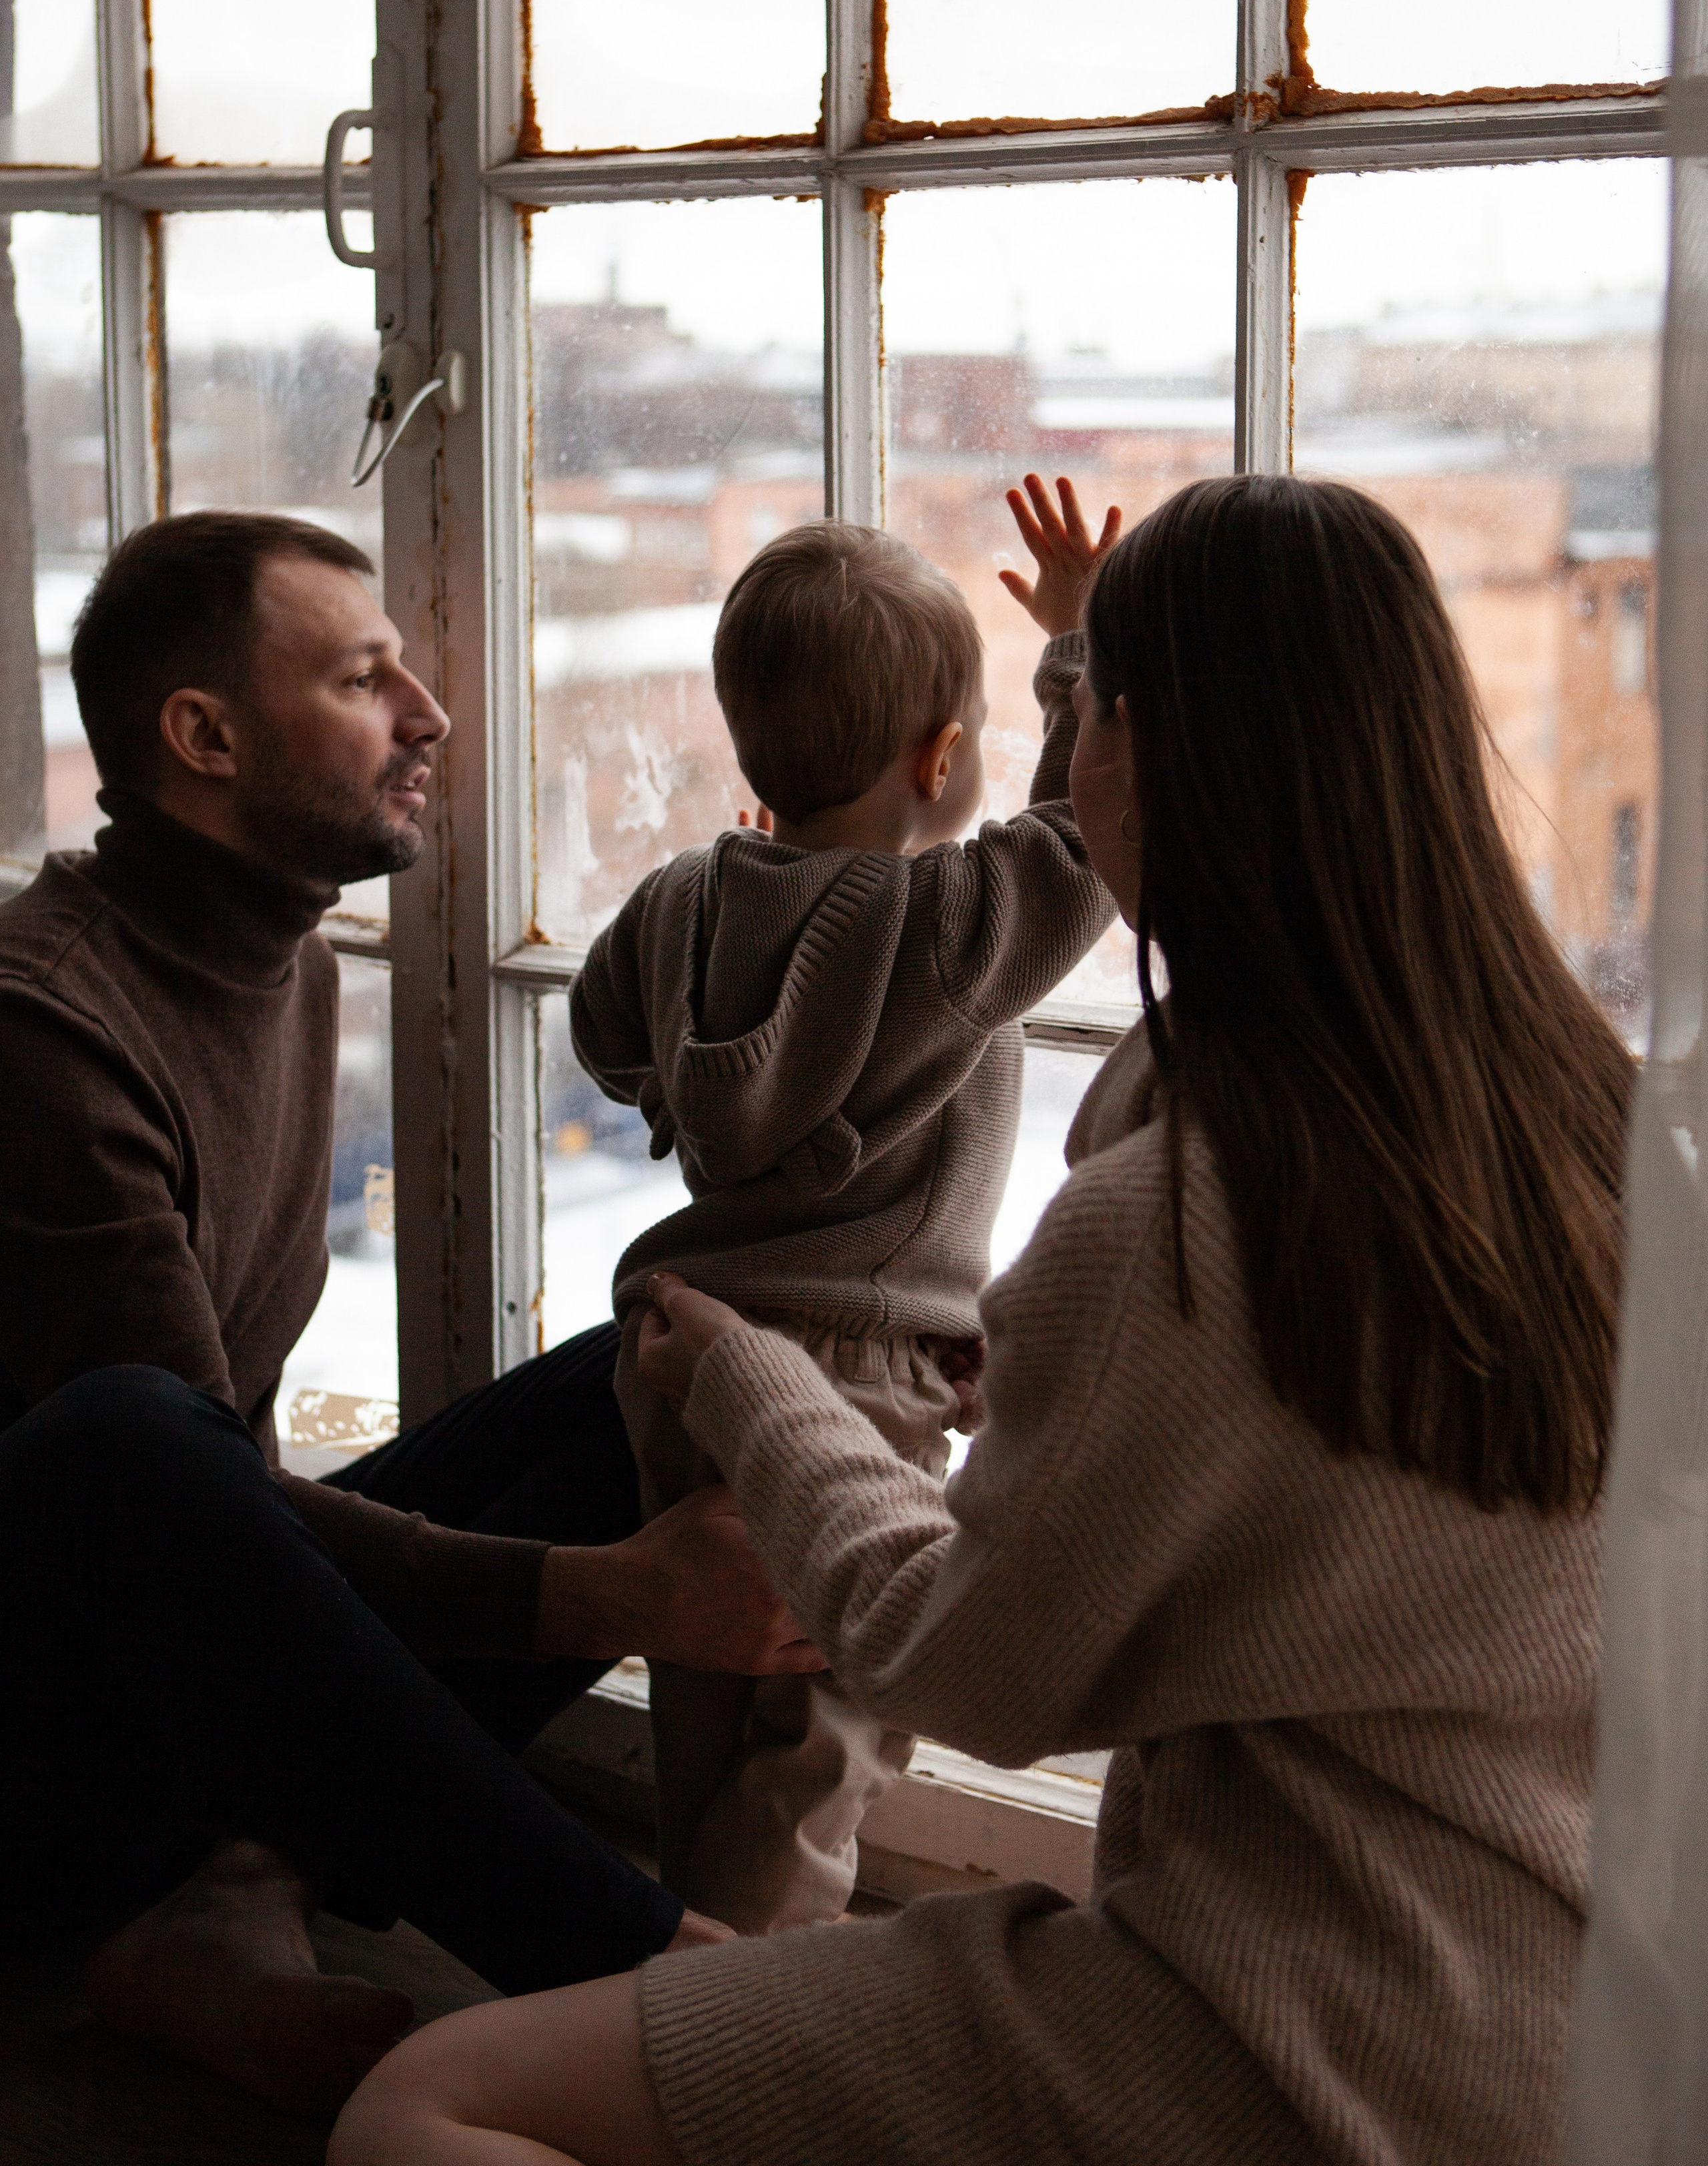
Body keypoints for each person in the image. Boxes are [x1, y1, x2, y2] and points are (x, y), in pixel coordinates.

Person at [332, 473, 1629, 2166]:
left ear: (1137, 753)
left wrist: (746, 1379)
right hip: (1588, 2016)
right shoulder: (1584, 1127)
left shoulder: (1174, 1211)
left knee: (421, 2102)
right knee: (797, 1789)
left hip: (1272, 2041)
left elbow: (965, 1665)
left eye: (1090, 704)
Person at [0, 510, 823, 2119]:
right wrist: (603, 1599)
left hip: (174, 1660)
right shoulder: (42, 1030)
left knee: (654, 1362)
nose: (429, 712)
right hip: (39, 1737)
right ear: (204, 738)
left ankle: (229, 1901)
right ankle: (657, 1976)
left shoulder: (279, 963)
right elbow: (177, 1507)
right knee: (141, 1440)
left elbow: (231, 1542)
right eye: (367, 679)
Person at [569, 478, 1116, 1932]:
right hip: (852, 1381)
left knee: (707, 1672)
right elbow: (1081, 845)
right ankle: (741, 2023)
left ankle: (677, 1943)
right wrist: (1075, 648)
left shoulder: (683, 897)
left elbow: (599, 1029)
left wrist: (676, 1100)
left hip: (682, 1349)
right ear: (943, 756)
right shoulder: (937, 925)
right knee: (825, 1734)